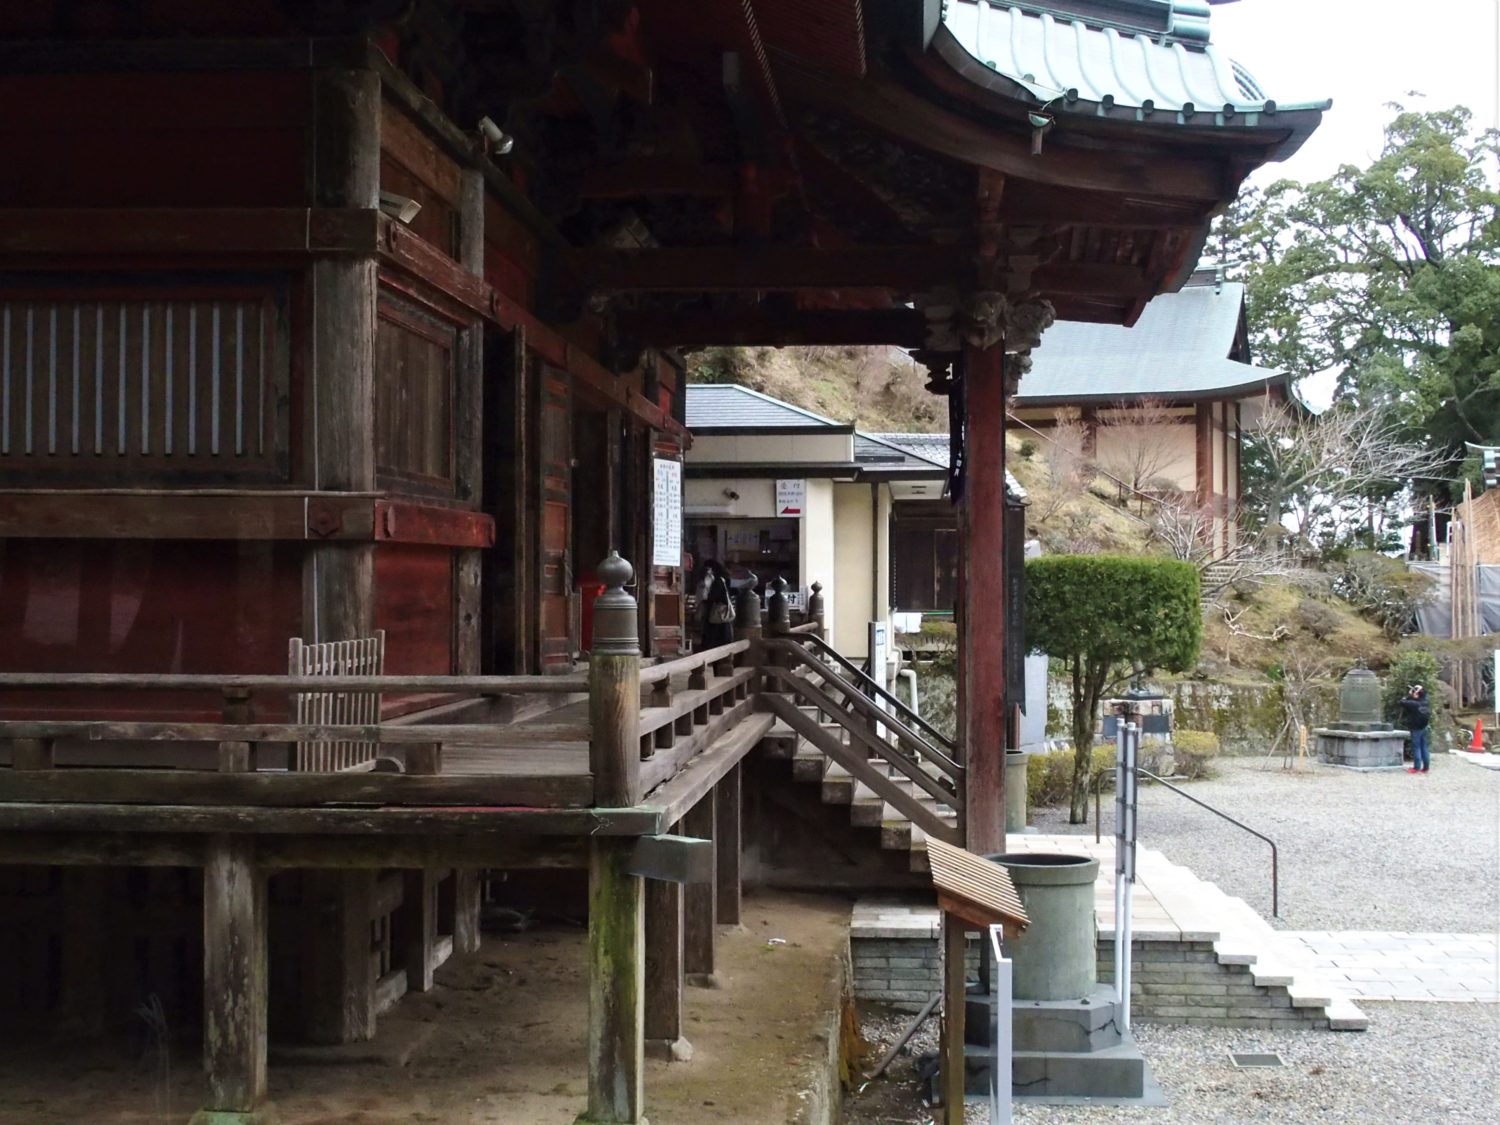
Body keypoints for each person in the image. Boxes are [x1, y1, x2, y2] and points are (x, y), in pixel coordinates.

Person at [699, 560, 736, 649]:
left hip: (717, 613)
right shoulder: (722, 578)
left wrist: (705, 602)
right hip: (720, 613)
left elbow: (713, 596)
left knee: (715, 639)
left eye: (708, 568)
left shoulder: (717, 580)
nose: (707, 571)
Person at [1400, 684, 1432, 773]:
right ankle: (1426, 767)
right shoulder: (1426, 701)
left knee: (1416, 747)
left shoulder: (1413, 704)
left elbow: (1402, 702)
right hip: (1424, 727)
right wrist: (1420, 689)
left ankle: (1416, 767)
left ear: (1416, 694)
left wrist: (1409, 695)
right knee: (1424, 747)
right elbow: (1424, 694)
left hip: (1416, 728)